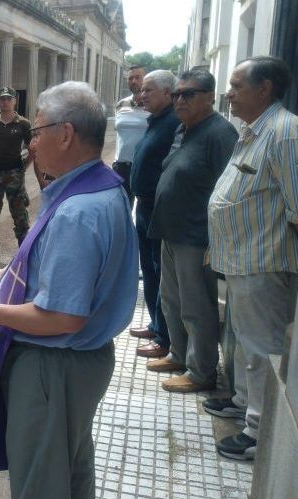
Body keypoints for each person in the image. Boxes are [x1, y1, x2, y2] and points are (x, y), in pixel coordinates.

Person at [0, 82, 138, 499]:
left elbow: (62, 316)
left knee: (41, 481)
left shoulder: (78, 211)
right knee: (69, 469)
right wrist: (15, 275)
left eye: (37, 132)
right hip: (76, 364)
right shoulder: (100, 186)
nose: (32, 143)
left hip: (53, 366)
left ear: (66, 134)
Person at [205, 56, 298, 461]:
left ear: (264, 89)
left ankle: (259, 433)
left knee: (262, 347)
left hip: (264, 262)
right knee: (245, 341)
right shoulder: (254, 130)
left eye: (237, 85)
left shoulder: (285, 133)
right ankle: (244, 404)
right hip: (242, 259)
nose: (229, 94)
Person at [146, 69, 238, 393]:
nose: (180, 100)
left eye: (189, 94)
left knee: (196, 305)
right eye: (176, 95)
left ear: (210, 97)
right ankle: (179, 354)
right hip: (170, 231)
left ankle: (201, 371)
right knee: (172, 300)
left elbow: (230, 189)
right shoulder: (183, 129)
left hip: (196, 236)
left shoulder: (220, 133)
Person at [128, 70, 180, 358]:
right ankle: (155, 324)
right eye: (142, 90)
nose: (142, 94)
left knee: (160, 272)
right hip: (145, 206)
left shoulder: (174, 123)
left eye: (148, 90)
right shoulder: (157, 120)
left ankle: (164, 337)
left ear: (167, 93)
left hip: (159, 209)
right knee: (148, 268)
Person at [0, 87, 33, 261]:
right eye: (2, 99)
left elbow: (32, 149)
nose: (5, 102)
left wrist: (24, 166)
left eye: (9, 99)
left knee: (19, 212)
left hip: (14, 174)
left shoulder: (23, 124)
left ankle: (23, 251)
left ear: (14, 101)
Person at [113, 65, 149, 204]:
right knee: (122, 207)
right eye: (130, 78)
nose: (133, 81)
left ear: (146, 79)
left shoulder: (153, 105)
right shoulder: (120, 105)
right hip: (121, 167)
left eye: (138, 77)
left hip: (144, 166)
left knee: (144, 208)